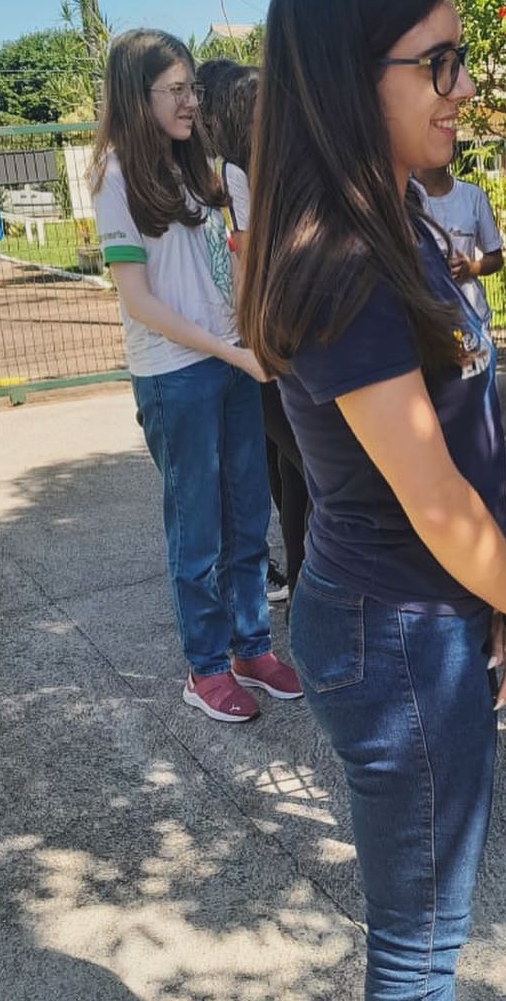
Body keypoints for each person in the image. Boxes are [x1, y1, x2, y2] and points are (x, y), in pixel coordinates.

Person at [236, 0, 506, 1000]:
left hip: (420, 617)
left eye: (459, 59)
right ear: (345, 74)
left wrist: (498, 591)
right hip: (400, 635)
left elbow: (467, 437)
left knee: (426, 932)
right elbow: (429, 493)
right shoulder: (338, 256)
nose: (462, 88)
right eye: (438, 63)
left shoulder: (395, 218)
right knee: (418, 950)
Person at [89, 29, 302, 723]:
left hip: (232, 361)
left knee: (249, 514)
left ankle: (251, 648)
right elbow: (140, 302)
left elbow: (237, 269)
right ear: (136, 96)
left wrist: (252, 335)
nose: (190, 101)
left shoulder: (215, 174)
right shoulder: (117, 180)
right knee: (198, 529)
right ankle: (205, 666)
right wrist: (228, 348)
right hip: (176, 374)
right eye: (174, 90)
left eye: (192, 89)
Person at [197, 58, 304, 606]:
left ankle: (303, 578)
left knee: (292, 466)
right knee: (295, 462)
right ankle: (303, 580)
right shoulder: (237, 173)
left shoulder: (241, 171)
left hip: (259, 338)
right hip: (265, 339)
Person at [412, 150, 504, 327]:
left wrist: (472, 268)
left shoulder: (473, 196)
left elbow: (496, 258)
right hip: (422, 321)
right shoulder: (401, 197)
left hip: (471, 319)